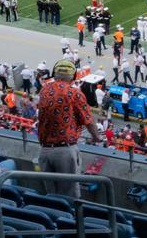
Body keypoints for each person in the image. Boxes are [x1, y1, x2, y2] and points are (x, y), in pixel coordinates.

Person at [35, 59, 100, 197]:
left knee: (51, 194)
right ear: (73, 76)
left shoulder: (44, 90)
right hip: (64, 150)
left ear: (55, 73)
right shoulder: (74, 93)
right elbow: (88, 121)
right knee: (69, 194)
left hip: (44, 150)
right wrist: (96, 137)